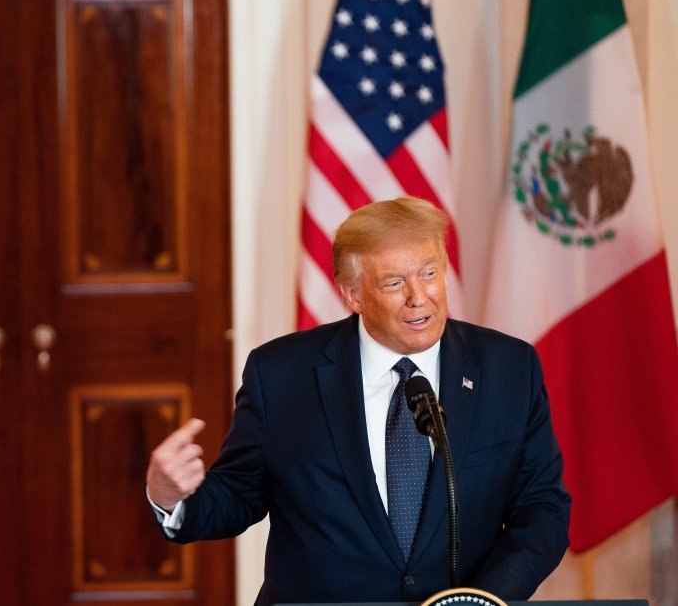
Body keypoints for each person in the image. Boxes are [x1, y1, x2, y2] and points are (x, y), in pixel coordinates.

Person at [146, 197, 571, 604]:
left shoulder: (508, 368)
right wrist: (171, 497)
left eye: (429, 273)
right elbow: (239, 496)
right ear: (353, 295)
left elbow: (542, 509)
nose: (418, 296)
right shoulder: (280, 374)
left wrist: (478, 602)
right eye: (393, 282)